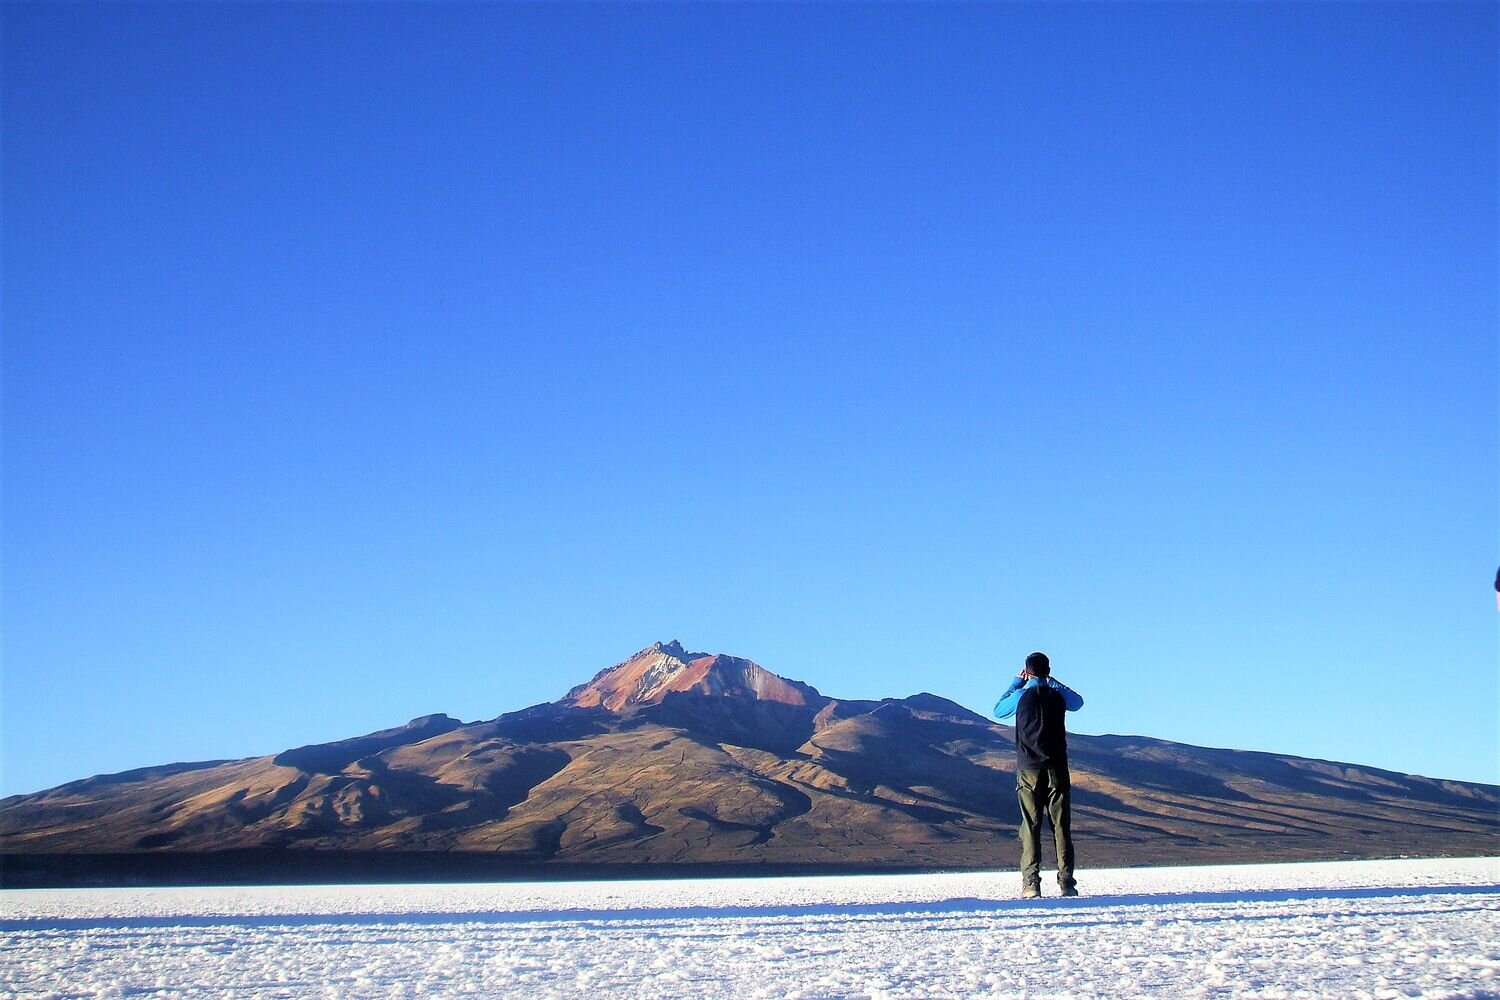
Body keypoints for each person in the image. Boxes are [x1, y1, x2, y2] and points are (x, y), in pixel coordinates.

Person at [994, 651, 1084, 899]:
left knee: (1031, 826)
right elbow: (1078, 703)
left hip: (1028, 769)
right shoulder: (1057, 695)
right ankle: (1067, 883)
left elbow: (998, 710)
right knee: (1061, 827)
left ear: (1027, 671)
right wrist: (1051, 682)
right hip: (1057, 768)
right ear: (1048, 670)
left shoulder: (1022, 695)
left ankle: (1031, 884)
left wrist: (1017, 683)